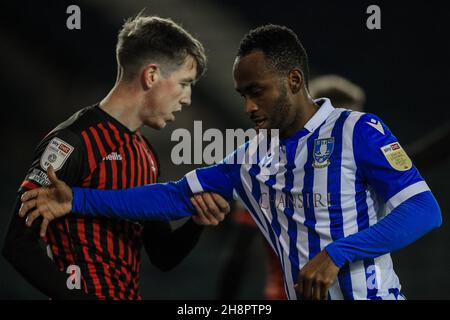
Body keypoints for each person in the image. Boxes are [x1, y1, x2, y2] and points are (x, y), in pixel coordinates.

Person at [19, 25, 442, 300]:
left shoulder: (359, 130)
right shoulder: (250, 159)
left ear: (293, 80)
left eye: (256, 91)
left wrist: (339, 253)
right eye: (242, 94)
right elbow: (172, 197)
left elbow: (425, 210)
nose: (247, 106)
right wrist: (77, 199)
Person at [3, 14, 230, 300]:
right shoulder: (73, 141)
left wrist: (197, 221)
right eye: (184, 83)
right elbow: (17, 244)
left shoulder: (145, 154)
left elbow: (162, 255)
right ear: (151, 76)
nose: (187, 99)